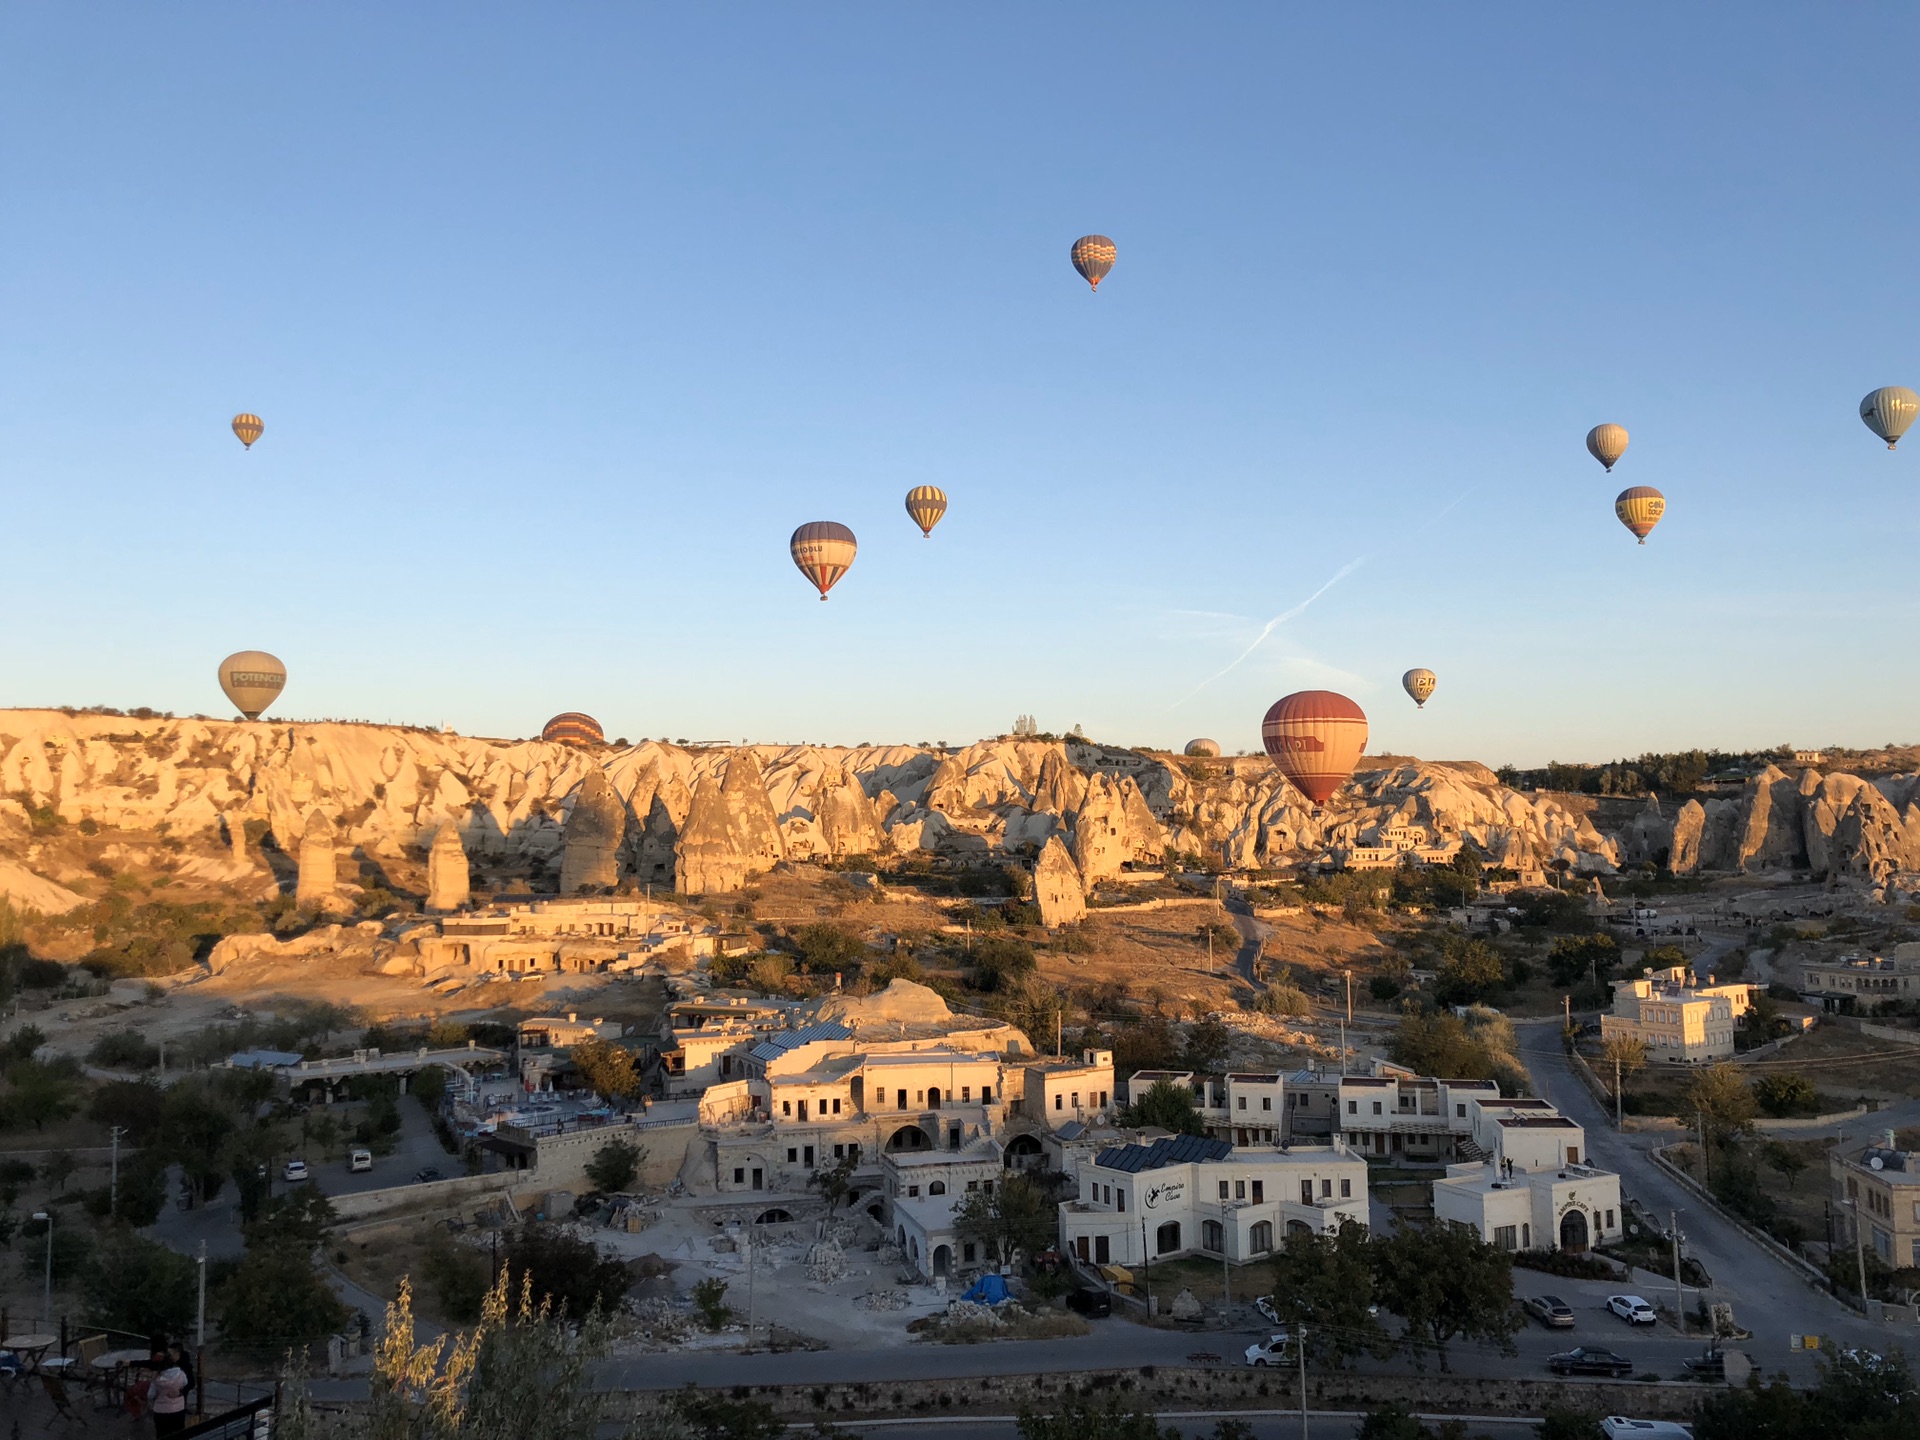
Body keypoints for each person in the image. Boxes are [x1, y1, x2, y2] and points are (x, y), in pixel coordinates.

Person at [148, 1345, 188, 1437]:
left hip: (161, 1411)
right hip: (178, 1409)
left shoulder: (156, 1378)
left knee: (162, 1434)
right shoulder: (181, 1374)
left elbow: (150, 1395)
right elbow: (185, 1383)